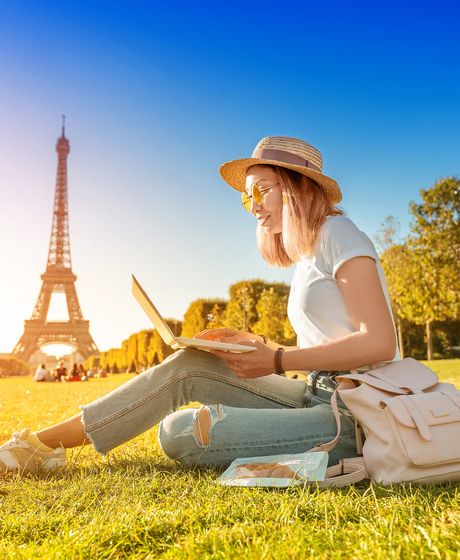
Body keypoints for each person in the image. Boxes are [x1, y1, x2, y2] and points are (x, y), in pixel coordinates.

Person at [0, 136, 399, 474]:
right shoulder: (308, 253)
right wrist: (250, 344)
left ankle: (332, 454)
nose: (254, 205)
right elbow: (332, 342)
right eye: (248, 198)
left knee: (180, 433)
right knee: (190, 366)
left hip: (354, 415)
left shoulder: (339, 233)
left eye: (262, 189)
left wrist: (275, 359)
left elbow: (379, 342)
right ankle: (45, 445)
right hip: (317, 393)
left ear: (296, 186)